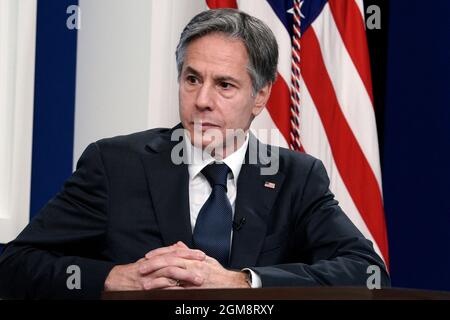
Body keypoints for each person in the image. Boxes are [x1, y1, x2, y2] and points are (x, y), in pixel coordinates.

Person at [0, 8, 389, 299]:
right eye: (192, 79)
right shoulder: (115, 164)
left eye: (224, 85)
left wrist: (243, 281)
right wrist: (114, 276)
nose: (202, 101)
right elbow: (14, 266)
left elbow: (367, 273)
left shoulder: (296, 177)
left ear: (261, 96)